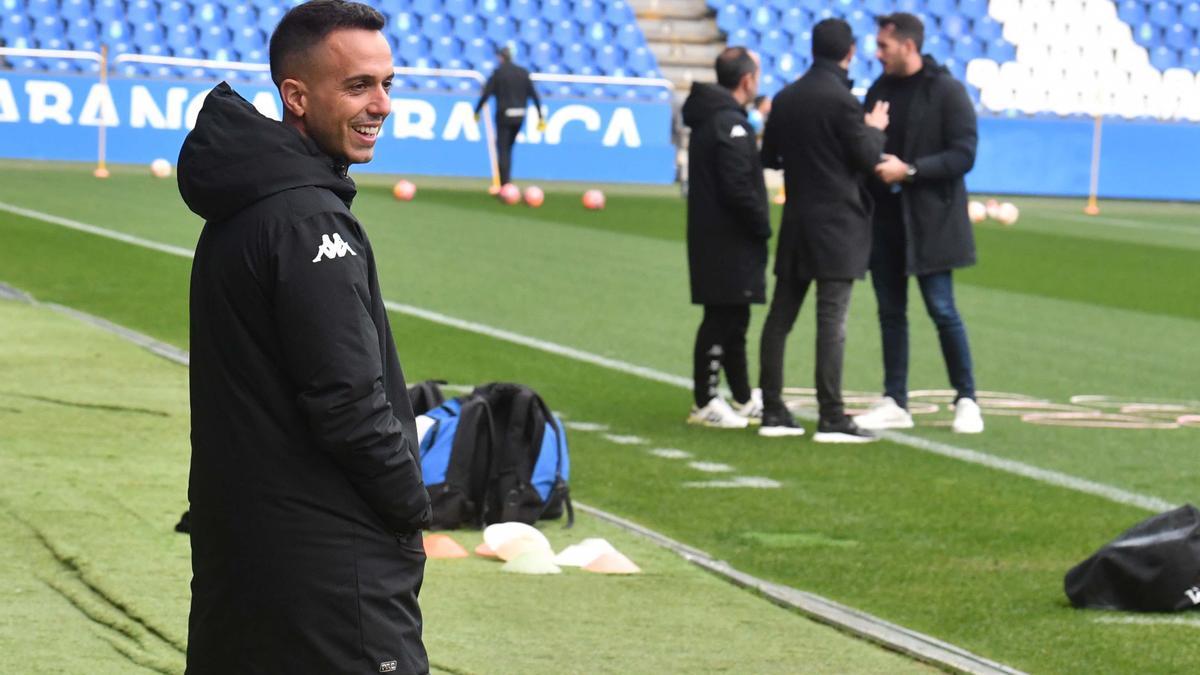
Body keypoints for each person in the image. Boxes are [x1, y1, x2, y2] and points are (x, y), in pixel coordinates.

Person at [178, 2, 432, 672]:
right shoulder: (306, 218)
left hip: (246, 550)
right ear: (296, 95)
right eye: (358, 86)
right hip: (327, 572)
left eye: (387, 84)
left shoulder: (251, 202)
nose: (381, 104)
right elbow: (348, 402)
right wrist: (410, 505)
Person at [757, 18, 890, 442]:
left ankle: (773, 409)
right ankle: (831, 415)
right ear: (849, 52)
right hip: (838, 224)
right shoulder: (844, 101)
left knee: (781, 318)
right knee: (832, 322)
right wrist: (875, 129)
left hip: (798, 219)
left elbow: (770, 157)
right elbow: (868, 156)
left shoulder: (787, 97)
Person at [855, 12, 984, 434]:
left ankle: (967, 398)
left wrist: (910, 170)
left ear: (908, 46)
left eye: (884, 46)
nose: (877, 54)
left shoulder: (946, 91)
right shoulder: (879, 89)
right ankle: (895, 398)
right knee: (890, 312)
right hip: (886, 221)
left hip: (931, 223)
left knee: (942, 310)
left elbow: (964, 154)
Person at [680, 46, 771, 428]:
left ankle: (744, 395)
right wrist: (761, 224)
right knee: (722, 317)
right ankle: (705, 400)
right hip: (727, 239)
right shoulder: (729, 124)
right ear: (747, 79)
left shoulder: (715, 118)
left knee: (734, 317)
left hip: (717, 236)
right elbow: (738, 187)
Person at [474, 46, 546, 188]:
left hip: (504, 115)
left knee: (503, 149)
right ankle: (507, 183)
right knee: (509, 148)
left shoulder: (498, 73)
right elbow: (534, 95)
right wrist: (540, 116)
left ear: (501, 57)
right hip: (520, 115)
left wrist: (476, 111)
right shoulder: (523, 72)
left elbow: (486, 94)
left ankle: (504, 185)